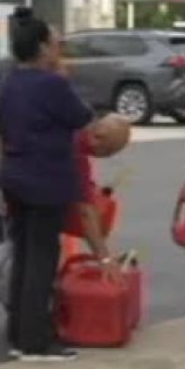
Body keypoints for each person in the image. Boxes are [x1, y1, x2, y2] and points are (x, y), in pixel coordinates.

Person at [0, 7, 95, 362]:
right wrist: (63, 78)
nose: (58, 50)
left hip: (14, 176)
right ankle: (36, 339)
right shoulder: (52, 85)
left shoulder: (5, 84)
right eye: (54, 44)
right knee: (42, 258)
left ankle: (19, 331)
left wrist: (2, 184)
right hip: (46, 177)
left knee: (23, 254)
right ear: (40, 47)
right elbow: (82, 118)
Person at [70, 114, 132, 271]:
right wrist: (104, 258)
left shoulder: (70, 127)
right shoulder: (75, 155)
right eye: (109, 151)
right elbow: (85, 212)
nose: (107, 156)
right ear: (97, 138)